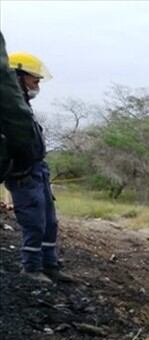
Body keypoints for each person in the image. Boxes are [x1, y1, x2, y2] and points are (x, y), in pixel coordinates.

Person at [4, 50, 72, 284]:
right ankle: (31, 268)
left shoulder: (21, 106)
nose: (38, 83)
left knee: (49, 222)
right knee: (34, 222)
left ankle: (50, 265)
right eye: (34, 78)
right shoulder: (7, 109)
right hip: (23, 173)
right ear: (17, 77)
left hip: (38, 169)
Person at [0, 31, 39, 210]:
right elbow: (19, 126)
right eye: (35, 81)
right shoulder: (13, 105)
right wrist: (22, 161)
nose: (36, 86)